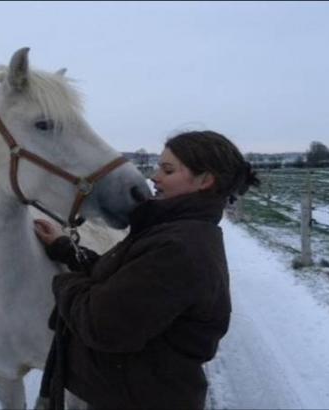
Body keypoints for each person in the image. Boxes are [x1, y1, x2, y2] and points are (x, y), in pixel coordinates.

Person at [33, 130, 260, 410]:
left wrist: (63, 282)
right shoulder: (177, 231)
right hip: (134, 392)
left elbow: (101, 324)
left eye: (167, 169)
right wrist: (64, 248)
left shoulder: (179, 248)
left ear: (205, 180)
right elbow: (123, 282)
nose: (154, 177)